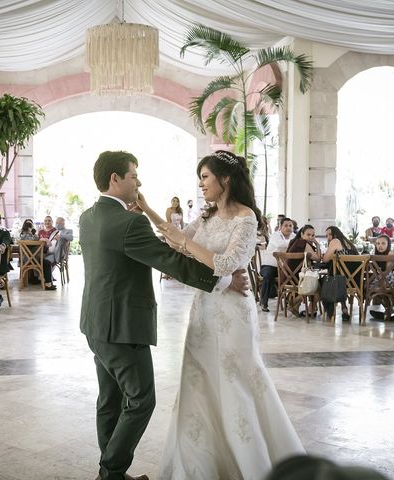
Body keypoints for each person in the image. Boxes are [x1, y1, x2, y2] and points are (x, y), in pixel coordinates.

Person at [79, 150, 248, 480]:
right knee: (141, 400)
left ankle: (111, 472)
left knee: (109, 400)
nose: (138, 182)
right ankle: (110, 473)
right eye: (133, 176)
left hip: (95, 324)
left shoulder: (88, 216)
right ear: (115, 179)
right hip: (124, 328)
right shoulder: (129, 223)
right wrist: (223, 280)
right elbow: (169, 261)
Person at [148, 150, 305, 478]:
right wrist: (146, 207)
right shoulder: (204, 217)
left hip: (233, 313)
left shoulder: (246, 218)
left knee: (236, 380)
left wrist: (188, 246)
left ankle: (248, 460)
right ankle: (199, 463)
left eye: (205, 177)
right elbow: (176, 241)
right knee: (199, 379)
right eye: (200, 178)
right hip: (204, 307)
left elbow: (226, 263)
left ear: (225, 179)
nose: (201, 184)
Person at [368, 234, 394, 320]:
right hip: (384, 278)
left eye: (383, 243)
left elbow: (387, 271)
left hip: (391, 278)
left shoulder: (390, 253)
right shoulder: (375, 254)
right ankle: (389, 311)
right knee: (372, 286)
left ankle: (392, 312)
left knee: (375, 286)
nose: (380, 245)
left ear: (388, 245)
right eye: (378, 243)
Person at [321, 226, 359, 320]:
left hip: (340, 282)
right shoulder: (349, 244)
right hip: (355, 281)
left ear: (336, 233)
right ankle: (344, 308)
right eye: (326, 236)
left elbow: (325, 259)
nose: (328, 237)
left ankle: (312, 310)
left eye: (330, 234)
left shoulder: (335, 241)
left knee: (322, 281)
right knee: (338, 274)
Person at [259, 217, 296, 312]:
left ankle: (291, 301)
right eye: (286, 225)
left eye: (290, 225)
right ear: (280, 227)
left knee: (296, 274)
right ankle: (264, 302)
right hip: (270, 265)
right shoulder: (275, 235)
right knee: (268, 275)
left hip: (284, 267)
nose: (288, 228)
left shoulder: (293, 236)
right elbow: (280, 244)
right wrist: (294, 242)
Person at [286, 224, 321, 317]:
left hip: (287, 276)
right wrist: (317, 245)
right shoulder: (304, 243)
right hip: (296, 277)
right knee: (317, 285)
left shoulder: (294, 241)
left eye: (313, 235)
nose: (310, 237)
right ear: (302, 234)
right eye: (308, 235)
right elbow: (317, 258)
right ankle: (304, 307)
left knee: (312, 281)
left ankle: (295, 306)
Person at [18, 219, 58, 290]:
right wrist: (45, 239)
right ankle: (48, 284)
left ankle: (37, 280)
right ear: (30, 228)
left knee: (45, 261)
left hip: (25, 260)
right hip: (32, 259)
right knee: (46, 263)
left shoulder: (22, 236)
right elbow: (38, 239)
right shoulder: (32, 237)